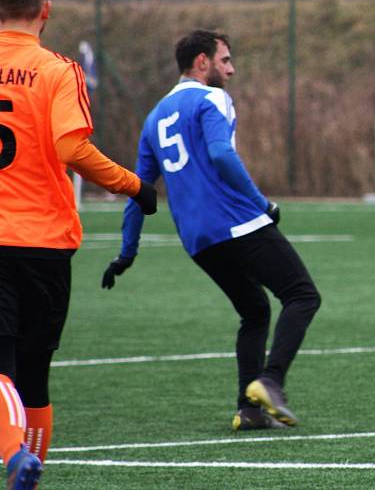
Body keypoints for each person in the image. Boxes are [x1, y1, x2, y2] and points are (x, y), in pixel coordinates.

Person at [102, 29, 321, 431]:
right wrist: (262, 203)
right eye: (225, 60)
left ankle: (250, 410)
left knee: (254, 310)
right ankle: (270, 381)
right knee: (302, 295)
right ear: (202, 62)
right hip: (236, 221)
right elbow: (222, 153)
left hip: (198, 240)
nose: (231, 70)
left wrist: (126, 253)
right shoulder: (211, 98)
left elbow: (138, 191)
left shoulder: (154, 118)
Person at [0, 0, 157, 489]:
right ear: (45, 10)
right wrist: (133, 185)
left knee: (1, 370)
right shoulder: (56, 70)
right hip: (44, 241)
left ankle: (14, 457)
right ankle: (29, 472)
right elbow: (72, 146)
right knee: (36, 376)